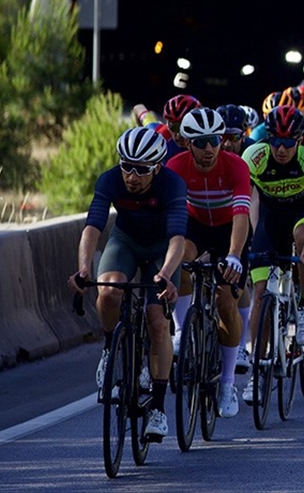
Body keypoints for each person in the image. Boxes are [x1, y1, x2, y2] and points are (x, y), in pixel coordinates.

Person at [69, 127, 185, 442]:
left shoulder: (172, 184)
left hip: (162, 247)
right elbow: (92, 227)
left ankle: (158, 408)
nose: (132, 176)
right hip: (126, 241)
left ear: (157, 167)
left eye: (141, 169)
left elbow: (178, 237)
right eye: (126, 166)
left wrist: (167, 273)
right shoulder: (110, 180)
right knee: (108, 292)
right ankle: (111, 348)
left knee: (157, 322)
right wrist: (83, 268)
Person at [164, 108, 251, 418]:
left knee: (226, 303)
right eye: (201, 142)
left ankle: (227, 384)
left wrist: (234, 255)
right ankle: (181, 330)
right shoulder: (175, 166)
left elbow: (241, 215)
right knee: (181, 260)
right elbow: (172, 218)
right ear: (188, 144)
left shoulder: (236, 165)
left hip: (230, 230)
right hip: (196, 226)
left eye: (215, 140)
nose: (209, 148)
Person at [239, 106, 304, 404]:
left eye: (288, 143)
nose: (280, 149)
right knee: (261, 294)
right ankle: (258, 370)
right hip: (268, 219)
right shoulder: (254, 156)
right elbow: (246, 203)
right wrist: (249, 242)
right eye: (275, 141)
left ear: (299, 140)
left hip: (300, 216)